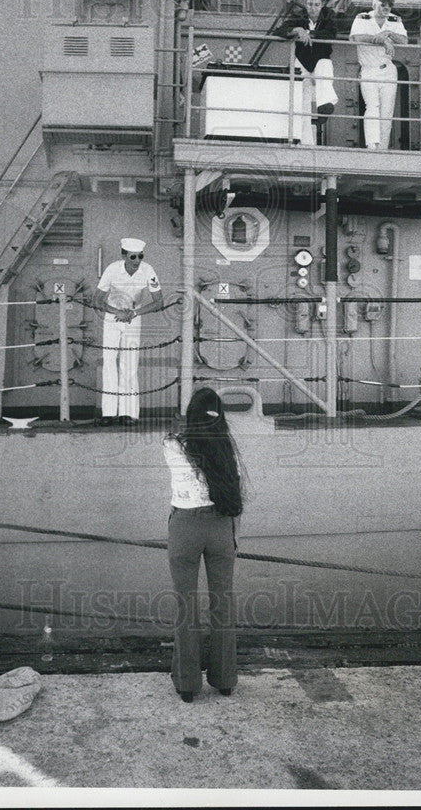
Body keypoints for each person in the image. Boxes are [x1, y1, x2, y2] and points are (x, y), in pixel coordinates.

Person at [162, 387, 245, 702]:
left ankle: (187, 685)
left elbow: (185, 435)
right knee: (223, 603)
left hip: (185, 526)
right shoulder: (227, 448)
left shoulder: (171, 444)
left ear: (190, 416)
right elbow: (234, 493)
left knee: (186, 606)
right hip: (221, 525)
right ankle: (225, 680)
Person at [93, 238, 163, 425]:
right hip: (112, 318)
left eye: (140, 256)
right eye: (133, 257)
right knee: (108, 362)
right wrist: (118, 312)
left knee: (130, 365)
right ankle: (108, 413)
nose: (137, 261)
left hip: (133, 319)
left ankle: (128, 413)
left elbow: (159, 302)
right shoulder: (112, 269)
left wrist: (134, 313)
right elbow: (97, 300)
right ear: (124, 255)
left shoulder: (148, 270)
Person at [274, 0, 339, 146]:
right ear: (306, 4)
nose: (312, 8)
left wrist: (309, 34)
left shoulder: (328, 17)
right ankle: (306, 142)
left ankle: (324, 104)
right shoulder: (299, 18)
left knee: (325, 66)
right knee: (302, 101)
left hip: (319, 60)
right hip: (302, 62)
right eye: (310, 4)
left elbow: (331, 34)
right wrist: (297, 29)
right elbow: (279, 30)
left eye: (316, 5)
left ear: (322, 4)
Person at [349, 0, 408, 149]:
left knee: (386, 112)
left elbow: (404, 40)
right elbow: (355, 38)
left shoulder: (394, 20)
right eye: (383, 3)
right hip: (369, 70)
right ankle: (372, 145)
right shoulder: (362, 18)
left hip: (388, 71)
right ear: (374, 3)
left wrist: (388, 34)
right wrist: (379, 39)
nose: (387, 7)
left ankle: (382, 147)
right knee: (372, 107)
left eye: (390, 4)